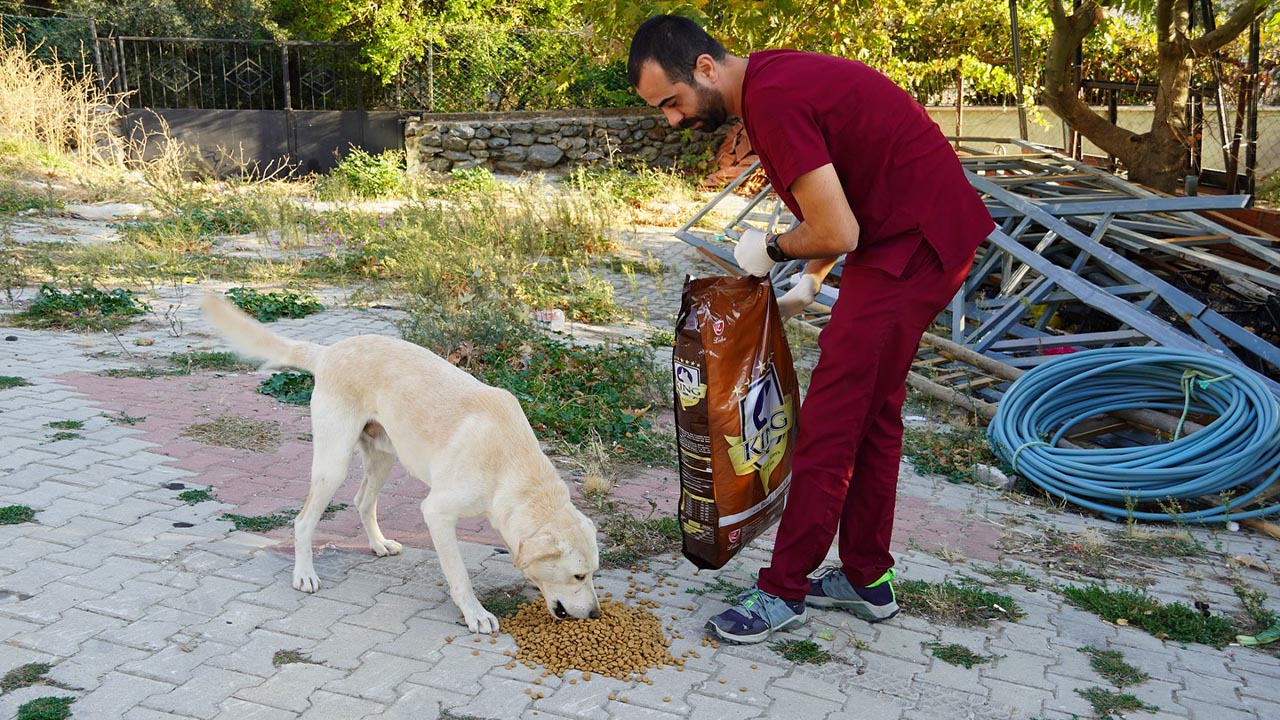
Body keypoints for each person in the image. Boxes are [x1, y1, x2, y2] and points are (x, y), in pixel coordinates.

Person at [628, 15, 994, 644]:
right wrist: (814, 277)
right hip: (916, 234)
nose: (672, 118)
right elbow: (840, 194)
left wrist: (771, 249)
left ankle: (783, 590)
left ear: (706, 69)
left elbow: (839, 228)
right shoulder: (772, 81)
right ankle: (865, 580)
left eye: (673, 101)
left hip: (914, 245)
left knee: (830, 420)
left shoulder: (772, 100)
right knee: (875, 415)